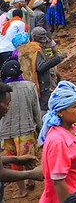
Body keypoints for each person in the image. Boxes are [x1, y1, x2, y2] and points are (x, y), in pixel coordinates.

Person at [40, 81, 76, 202]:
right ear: (60, 112)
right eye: (75, 106)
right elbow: (58, 182)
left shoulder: (73, 130)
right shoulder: (58, 141)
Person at [0, 60, 40, 198]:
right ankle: (31, 180)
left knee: (14, 163)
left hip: (5, 132)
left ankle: (22, 190)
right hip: (26, 129)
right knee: (29, 160)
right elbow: (36, 110)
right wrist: (39, 128)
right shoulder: (30, 86)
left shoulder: (3, 90)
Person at [29, 27, 66, 111]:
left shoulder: (43, 46)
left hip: (47, 79)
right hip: (42, 82)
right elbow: (41, 67)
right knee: (45, 106)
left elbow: (51, 56)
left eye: (45, 35)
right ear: (35, 37)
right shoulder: (36, 49)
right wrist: (58, 59)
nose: (44, 38)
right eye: (41, 36)